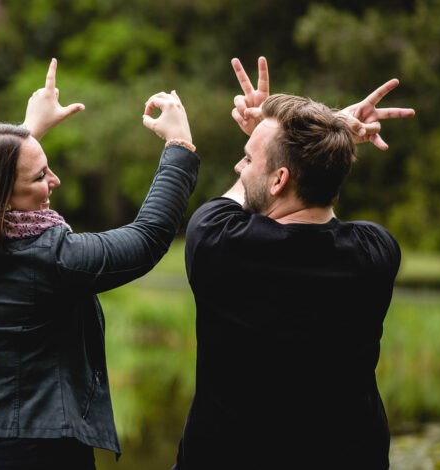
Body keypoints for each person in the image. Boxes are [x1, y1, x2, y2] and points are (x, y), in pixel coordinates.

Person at [0, 58, 199, 470]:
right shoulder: (53, 259)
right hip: (38, 453)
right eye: (39, 177)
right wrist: (178, 149)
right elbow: (146, 239)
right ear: (0, 196)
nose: (53, 181)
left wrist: (24, 132)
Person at [172, 57, 415, 469]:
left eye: (247, 158)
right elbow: (317, 191)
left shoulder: (218, 243)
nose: (239, 164)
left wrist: (326, 130)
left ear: (280, 179)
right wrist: (325, 139)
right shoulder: (376, 251)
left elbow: (240, 199)